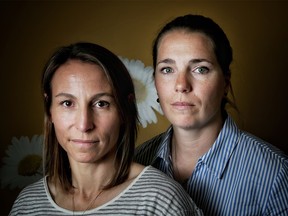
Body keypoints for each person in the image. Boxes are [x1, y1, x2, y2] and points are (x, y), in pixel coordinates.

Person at [9, 42, 203, 216]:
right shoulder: (27, 204)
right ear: (49, 109)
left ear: (124, 111)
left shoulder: (160, 201)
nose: (84, 125)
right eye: (67, 103)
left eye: (101, 104)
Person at [134, 14, 288, 215]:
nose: (181, 85)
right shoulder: (136, 163)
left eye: (200, 69)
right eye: (168, 69)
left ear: (225, 83)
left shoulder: (276, 174)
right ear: (155, 81)